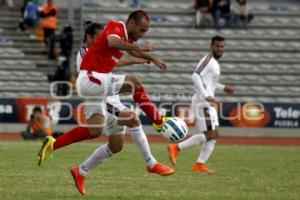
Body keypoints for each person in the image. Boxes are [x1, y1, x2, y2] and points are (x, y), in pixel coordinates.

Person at [38, 11, 174, 194]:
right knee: (134, 94)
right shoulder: (113, 29)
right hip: (93, 82)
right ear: (132, 24)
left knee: (106, 139)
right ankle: (157, 128)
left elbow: (126, 51)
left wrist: (151, 59)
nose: (143, 34)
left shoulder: (118, 42)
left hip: (98, 88)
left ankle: (71, 162)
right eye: (142, 30)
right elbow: (113, 42)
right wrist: (143, 51)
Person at [168, 36, 235, 173]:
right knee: (210, 134)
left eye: (222, 46)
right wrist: (206, 96)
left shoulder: (215, 63)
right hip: (203, 101)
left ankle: (199, 164)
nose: (220, 49)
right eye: (217, 46)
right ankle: (176, 147)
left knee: (214, 135)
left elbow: (210, 82)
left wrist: (223, 87)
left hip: (207, 101)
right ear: (211, 46)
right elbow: (195, 76)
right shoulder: (208, 60)